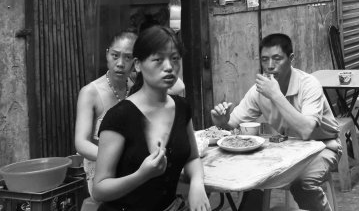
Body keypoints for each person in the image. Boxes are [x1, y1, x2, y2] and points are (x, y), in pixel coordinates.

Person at [210, 33, 340, 211]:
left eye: (277, 58)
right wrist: (222, 121)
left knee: (302, 182)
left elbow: (306, 131)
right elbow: (232, 124)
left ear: (291, 58)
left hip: (324, 146)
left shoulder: (309, 85)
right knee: (252, 176)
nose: (270, 66)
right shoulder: (259, 90)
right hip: (288, 147)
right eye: (265, 60)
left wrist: (275, 95)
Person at [93, 26, 209, 211]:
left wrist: (196, 184)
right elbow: (99, 189)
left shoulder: (181, 107)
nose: (169, 67)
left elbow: (192, 158)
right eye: (158, 60)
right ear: (138, 65)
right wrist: (141, 175)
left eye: (175, 59)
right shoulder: (119, 117)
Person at [75, 30, 137, 205]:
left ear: (136, 61)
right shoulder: (90, 93)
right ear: (107, 54)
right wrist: (114, 158)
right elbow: (81, 143)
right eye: (115, 56)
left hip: (133, 169)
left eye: (128, 58)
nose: (120, 63)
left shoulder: (136, 89)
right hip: (101, 172)